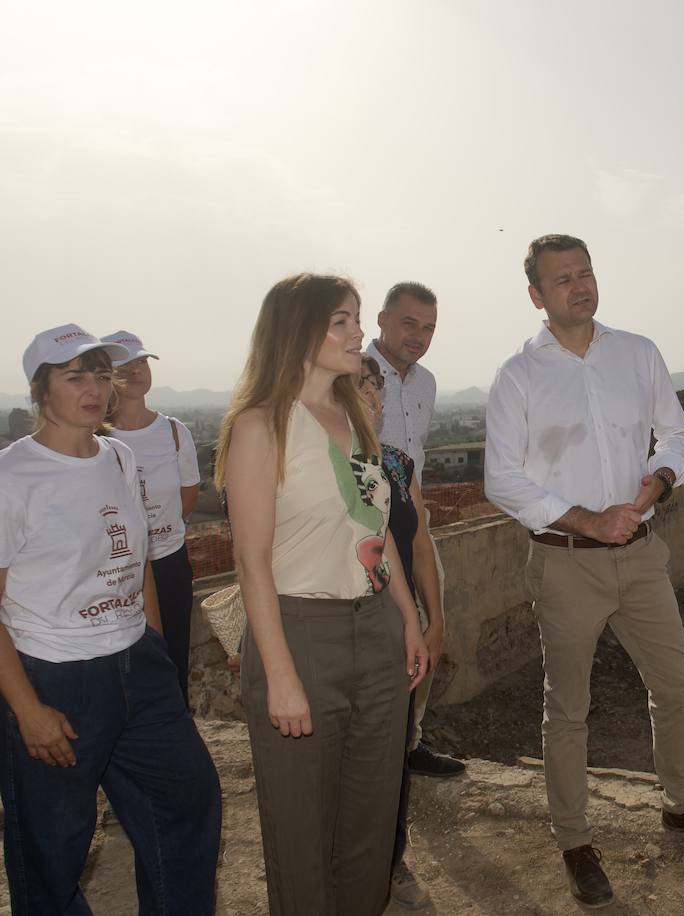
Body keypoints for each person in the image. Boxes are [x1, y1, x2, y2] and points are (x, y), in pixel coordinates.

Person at [485, 234, 684, 909]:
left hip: (640, 555)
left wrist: (658, 481)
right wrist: (587, 520)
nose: (580, 286)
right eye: (563, 279)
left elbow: (676, 435)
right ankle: (575, 841)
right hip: (565, 563)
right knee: (568, 707)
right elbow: (502, 480)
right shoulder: (518, 376)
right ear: (536, 295)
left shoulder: (638, 353)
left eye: (586, 272)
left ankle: (681, 805)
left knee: (675, 684)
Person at [216, 274, 431, 916]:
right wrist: (280, 677)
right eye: (342, 320)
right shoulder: (261, 426)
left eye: (356, 319)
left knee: (371, 820)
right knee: (301, 827)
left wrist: (408, 618)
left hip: (376, 628)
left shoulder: (356, 418)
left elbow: (375, 531)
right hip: (300, 633)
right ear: (298, 331)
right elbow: (250, 562)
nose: (358, 332)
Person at [0, 325, 221, 914]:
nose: (95, 389)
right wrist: (28, 709)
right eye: (75, 377)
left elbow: (138, 560)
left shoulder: (120, 457)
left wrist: (155, 649)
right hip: (56, 674)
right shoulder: (12, 477)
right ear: (40, 390)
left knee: (186, 801)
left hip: (137, 663)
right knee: (52, 849)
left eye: (102, 375)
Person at [358, 356, 446, 909]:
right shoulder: (323, 463)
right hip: (353, 623)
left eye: (375, 385)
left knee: (394, 751)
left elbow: (418, 544)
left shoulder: (396, 462)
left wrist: (435, 618)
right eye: (357, 384)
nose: (371, 394)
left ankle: (390, 862)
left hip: (402, 623)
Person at [366, 283, 462, 781]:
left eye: (428, 328)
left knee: (430, 625)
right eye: (409, 323)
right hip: (363, 531)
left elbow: (412, 463)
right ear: (382, 319)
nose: (419, 336)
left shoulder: (426, 383)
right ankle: (378, 743)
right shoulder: (353, 376)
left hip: (411, 524)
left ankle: (409, 739)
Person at [102, 330, 202, 707]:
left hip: (168, 562)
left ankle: (175, 722)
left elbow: (187, 496)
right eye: (125, 365)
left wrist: (155, 534)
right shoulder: (96, 439)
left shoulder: (173, 432)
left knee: (174, 654)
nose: (136, 370)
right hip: (116, 571)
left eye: (142, 362)